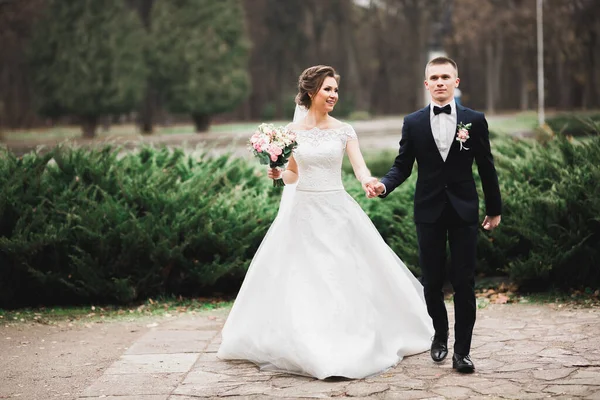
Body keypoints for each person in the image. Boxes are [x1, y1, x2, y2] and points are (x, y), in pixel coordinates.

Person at [217, 65, 434, 380]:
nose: (334, 95)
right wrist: (277, 174)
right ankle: (309, 342)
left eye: (335, 89)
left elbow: (359, 169)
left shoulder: (344, 130)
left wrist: (369, 181)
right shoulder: (292, 133)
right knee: (305, 278)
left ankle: (347, 341)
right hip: (302, 212)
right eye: (328, 89)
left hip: (336, 210)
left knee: (339, 273)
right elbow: (293, 174)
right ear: (310, 92)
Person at [367, 57, 502, 373]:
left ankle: (462, 352)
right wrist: (384, 186)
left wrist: (494, 209)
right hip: (428, 211)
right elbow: (402, 166)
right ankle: (439, 334)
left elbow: (486, 166)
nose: (440, 82)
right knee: (431, 282)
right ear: (426, 84)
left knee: (464, 282)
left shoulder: (475, 120)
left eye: (446, 77)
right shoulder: (412, 123)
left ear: (457, 82)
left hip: (464, 210)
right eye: (434, 78)